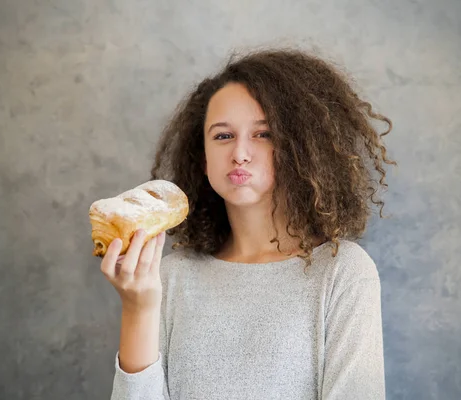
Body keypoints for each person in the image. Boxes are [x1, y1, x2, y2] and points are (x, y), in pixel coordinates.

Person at [101, 46, 397, 400]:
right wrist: (138, 307)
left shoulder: (342, 273)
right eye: (223, 136)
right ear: (203, 159)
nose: (240, 153)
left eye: (263, 134)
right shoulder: (170, 276)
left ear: (302, 147)